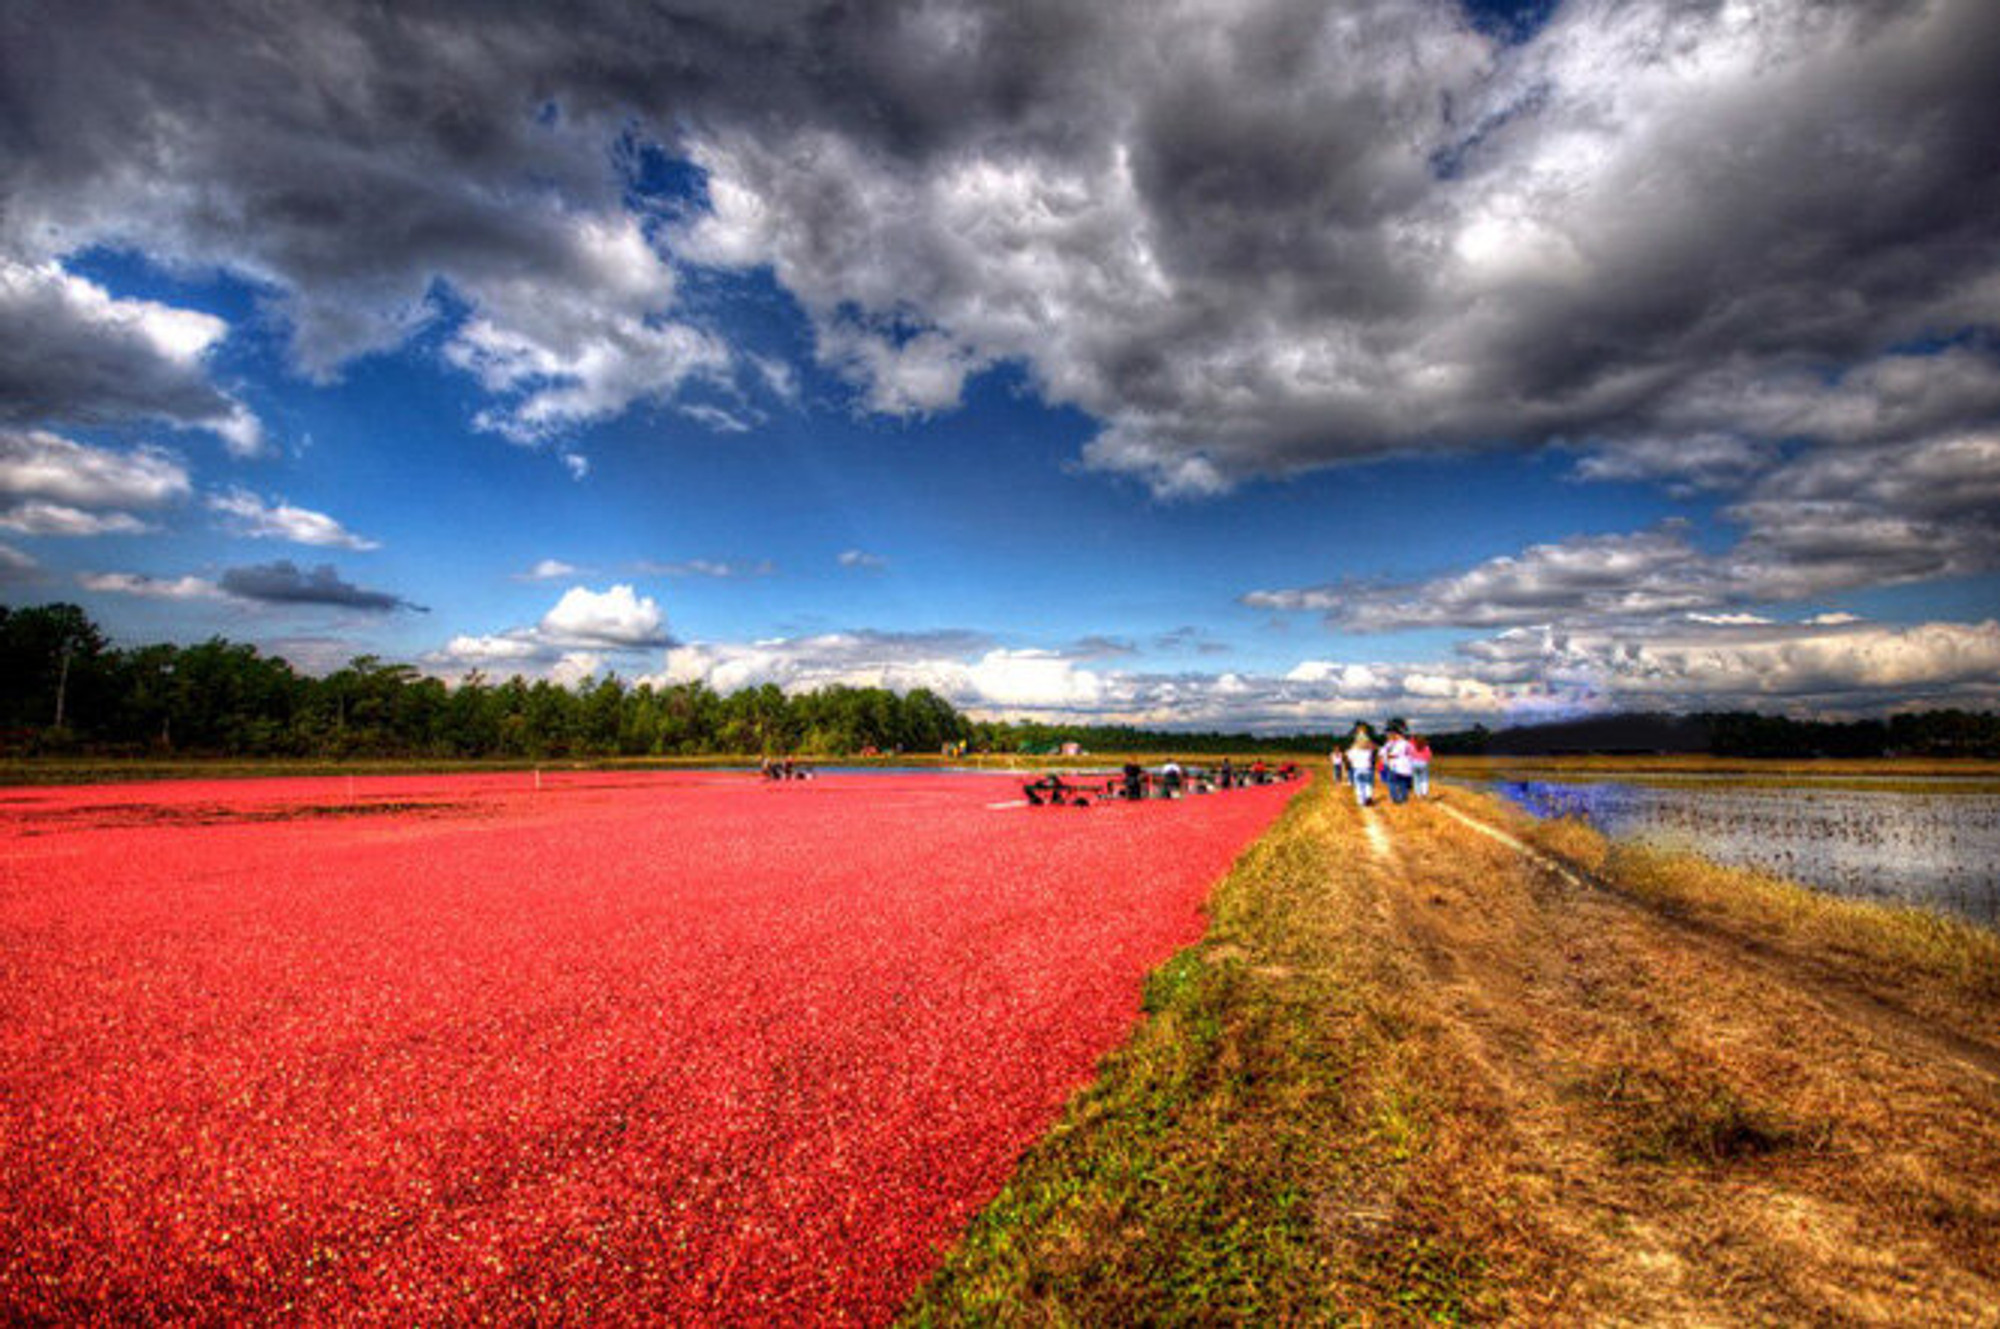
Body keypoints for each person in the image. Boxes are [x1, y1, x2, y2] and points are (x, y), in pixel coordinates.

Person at [1383, 728, 1415, 804]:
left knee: (1392, 782)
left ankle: (1395, 798)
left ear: (1399, 735)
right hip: (1406, 766)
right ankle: (1403, 798)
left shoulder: (1398, 744)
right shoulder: (1408, 744)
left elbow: (1393, 754)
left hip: (1396, 765)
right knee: (1403, 782)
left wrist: (1387, 755)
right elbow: (1412, 753)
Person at [1345, 726, 1375, 807]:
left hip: (1357, 769)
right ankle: (1368, 797)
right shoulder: (1369, 750)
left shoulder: (1353, 750)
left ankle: (1361, 801)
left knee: (1359, 785)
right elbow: (1372, 747)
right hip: (1367, 768)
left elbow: (1348, 757)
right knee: (1368, 784)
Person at [1410, 733, 1434, 799]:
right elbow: (1429, 756)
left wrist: (1412, 737)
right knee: (1424, 779)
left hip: (1414, 764)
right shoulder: (1426, 747)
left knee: (1416, 779)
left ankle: (1418, 794)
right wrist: (1428, 761)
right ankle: (1424, 793)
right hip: (1423, 763)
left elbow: (1410, 754)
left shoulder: (1412, 746)